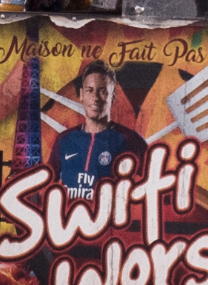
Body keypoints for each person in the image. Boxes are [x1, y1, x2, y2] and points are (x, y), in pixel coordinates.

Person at [50, 64, 142, 194]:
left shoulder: (130, 140)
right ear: (81, 94)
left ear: (113, 96)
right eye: (90, 90)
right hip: (71, 214)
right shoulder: (64, 140)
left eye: (102, 91)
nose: (96, 98)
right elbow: (46, 188)